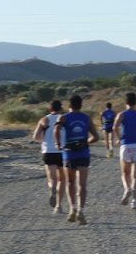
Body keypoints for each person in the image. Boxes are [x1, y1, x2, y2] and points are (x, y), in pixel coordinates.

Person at [54, 95, 99, 225]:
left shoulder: (63, 117)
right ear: (81, 105)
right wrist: (86, 141)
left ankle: (72, 207)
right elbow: (96, 137)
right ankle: (81, 210)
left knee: (70, 182)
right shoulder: (87, 118)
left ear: (69, 105)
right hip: (83, 153)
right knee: (82, 185)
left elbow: (56, 129)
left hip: (69, 153)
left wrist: (58, 144)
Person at [33, 100, 66, 213]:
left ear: (50, 109)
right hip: (63, 151)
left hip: (48, 151)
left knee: (52, 178)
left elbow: (36, 136)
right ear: (61, 109)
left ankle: (52, 187)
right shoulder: (64, 119)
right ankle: (58, 206)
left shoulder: (44, 119)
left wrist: (45, 139)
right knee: (62, 179)